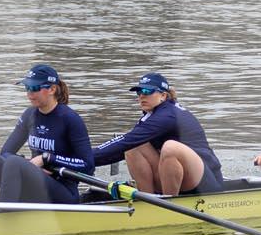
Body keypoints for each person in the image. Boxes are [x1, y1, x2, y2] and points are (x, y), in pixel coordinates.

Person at [0, 63, 95, 204]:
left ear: (52, 89)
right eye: (27, 87)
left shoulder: (70, 119)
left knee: (14, 162)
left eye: (34, 88)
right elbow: (6, 152)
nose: (29, 93)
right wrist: (29, 165)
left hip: (63, 191)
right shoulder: (29, 114)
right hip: (36, 184)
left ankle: (5, 217)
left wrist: (47, 159)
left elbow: (88, 166)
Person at [93, 73, 225, 195]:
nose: (141, 96)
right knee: (133, 147)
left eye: (147, 91)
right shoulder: (152, 115)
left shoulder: (168, 115)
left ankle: (168, 204)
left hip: (207, 183)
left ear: (163, 95)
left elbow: (125, 140)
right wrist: (85, 161)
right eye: (139, 92)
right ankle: (149, 200)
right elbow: (122, 147)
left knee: (170, 147)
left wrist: (84, 159)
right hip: (179, 178)